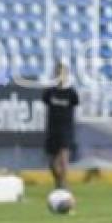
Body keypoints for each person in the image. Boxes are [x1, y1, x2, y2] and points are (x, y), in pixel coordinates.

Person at [41, 62, 79, 190]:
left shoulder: (71, 93)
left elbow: (75, 103)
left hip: (66, 129)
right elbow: (45, 101)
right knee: (52, 163)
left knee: (63, 158)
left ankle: (64, 185)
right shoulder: (49, 92)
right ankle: (59, 181)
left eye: (63, 74)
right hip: (53, 129)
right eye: (58, 73)